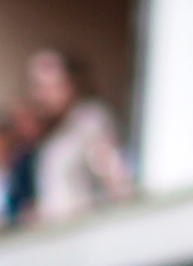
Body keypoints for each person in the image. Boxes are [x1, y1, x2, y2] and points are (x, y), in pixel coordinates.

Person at [23, 49, 132, 225]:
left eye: (49, 86)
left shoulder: (90, 121)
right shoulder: (51, 139)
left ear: (71, 83)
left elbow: (117, 182)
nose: (40, 96)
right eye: (36, 87)